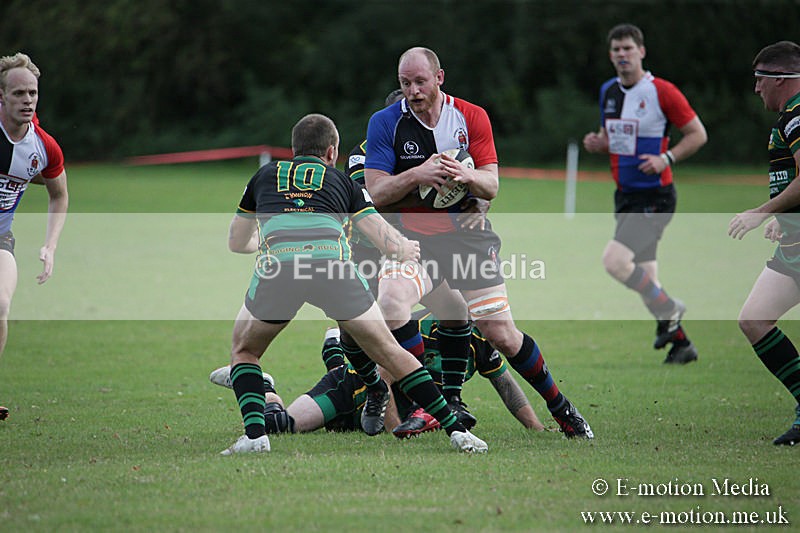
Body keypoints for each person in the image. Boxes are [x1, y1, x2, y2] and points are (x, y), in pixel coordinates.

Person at [221, 112, 487, 454]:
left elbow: (235, 242)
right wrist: (406, 248)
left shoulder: (263, 176)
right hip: (333, 271)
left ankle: (255, 438)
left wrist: (265, 241)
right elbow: (383, 239)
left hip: (281, 272)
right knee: (390, 352)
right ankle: (458, 432)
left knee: (245, 350)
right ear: (332, 152)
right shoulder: (343, 182)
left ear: (293, 149)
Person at [364, 46, 593, 439]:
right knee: (390, 301)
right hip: (414, 241)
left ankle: (561, 408)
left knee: (499, 332)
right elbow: (377, 192)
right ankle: (430, 404)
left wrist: (465, 178)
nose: (413, 91)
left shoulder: (471, 117)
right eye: (405, 84)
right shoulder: (385, 122)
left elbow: (492, 184)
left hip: (468, 241)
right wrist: (419, 174)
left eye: (420, 82)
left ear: (439, 78)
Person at [583, 24, 707, 364]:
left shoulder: (662, 91)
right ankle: (682, 345)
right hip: (625, 196)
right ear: (610, 56)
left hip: (656, 196)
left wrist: (666, 158)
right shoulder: (609, 90)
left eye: (628, 48)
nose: (622, 55)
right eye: (616, 50)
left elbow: (698, 134)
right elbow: (613, 137)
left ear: (641, 51)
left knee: (615, 261)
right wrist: (599, 143)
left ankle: (670, 308)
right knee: (649, 279)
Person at [209, 310, 545, 436]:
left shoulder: (476, 338)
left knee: (344, 354)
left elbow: (505, 382)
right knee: (279, 426)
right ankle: (264, 386)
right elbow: (384, 377)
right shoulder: (418, 329)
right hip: (352, 389)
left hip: (368, 414)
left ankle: (335, 350)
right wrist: (396, 430)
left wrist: (536, 428)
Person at [728, 40, 800, 446]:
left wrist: (761, 212)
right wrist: (783, 218)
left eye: (760, 80)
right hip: (793, 246)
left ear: (780, 79)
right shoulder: (790, 116)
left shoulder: (797, 116)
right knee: (754, 318)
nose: (756, 89)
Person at [0, 53, 69, 421]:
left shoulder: (44, 147)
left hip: (1, 237)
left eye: (33, 93)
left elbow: (59, 194)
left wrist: (50, 245)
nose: (27, 100)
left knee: (0, 304)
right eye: (19, 93)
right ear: (1, 96)